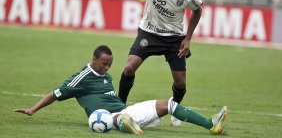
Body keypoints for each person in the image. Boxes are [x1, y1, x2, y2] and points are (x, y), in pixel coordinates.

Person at [14, 45, 227, 135]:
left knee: (170, 104)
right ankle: (123, 123)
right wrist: (33, 110)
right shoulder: (81, 78)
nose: (107, 68)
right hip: (108, 117)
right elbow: (55, 94)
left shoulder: (105, 75)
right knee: (106, 118)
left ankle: (212, 125)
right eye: (104, 63)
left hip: (127, 111)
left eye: (110, 64)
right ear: (94, 59)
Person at [118, 0, 203, 126]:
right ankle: (119, 105)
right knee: (129, 68)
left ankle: (175, 109)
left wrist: (188, 39)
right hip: (149, 34)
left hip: (174, 39)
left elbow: (197, 11)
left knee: (181, 82)